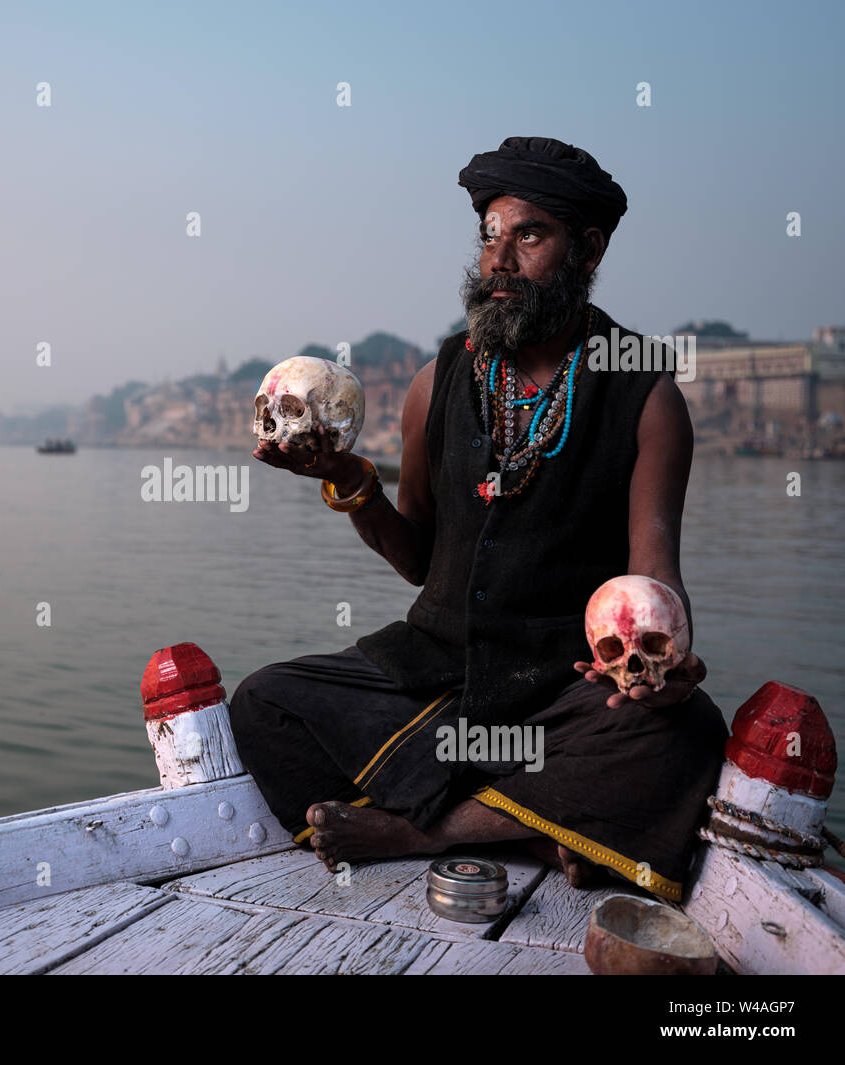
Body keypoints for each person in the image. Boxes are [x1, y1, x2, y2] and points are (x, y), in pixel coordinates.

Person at [229, 137, 728, 901]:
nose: (498, 259)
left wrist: (656, 669)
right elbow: (421, 559)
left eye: (528, 235)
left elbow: (653, 571)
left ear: (587, 249)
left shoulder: (645, 394)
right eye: (489, 234)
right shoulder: (438, 381)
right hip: (434, 676)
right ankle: (539, 822)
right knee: (265, 701)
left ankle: (418, 831)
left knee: (683, 731)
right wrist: (348, 480)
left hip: (561, 691)